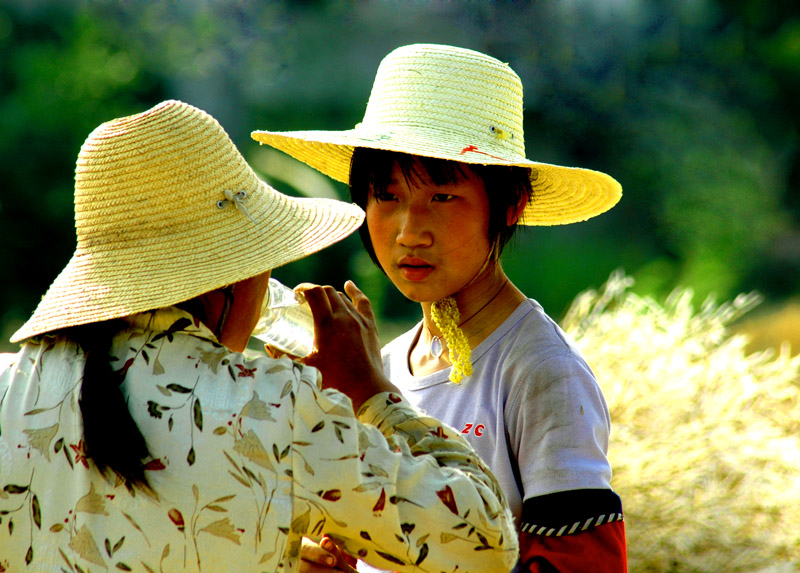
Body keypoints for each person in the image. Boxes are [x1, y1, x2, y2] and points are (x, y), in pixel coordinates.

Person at [0, 100, 519, 572]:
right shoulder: (272, 411)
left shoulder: (7, 391)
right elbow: (486, 542)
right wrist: (372, 394)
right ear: (232, 276)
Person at [251, 43, 628, 572]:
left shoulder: (540, 371)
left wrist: (369, 392)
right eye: (387, 196)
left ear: (509, 205)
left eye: (442, 198)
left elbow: (583, 563)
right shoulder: (385, 363)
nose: (409, 232)